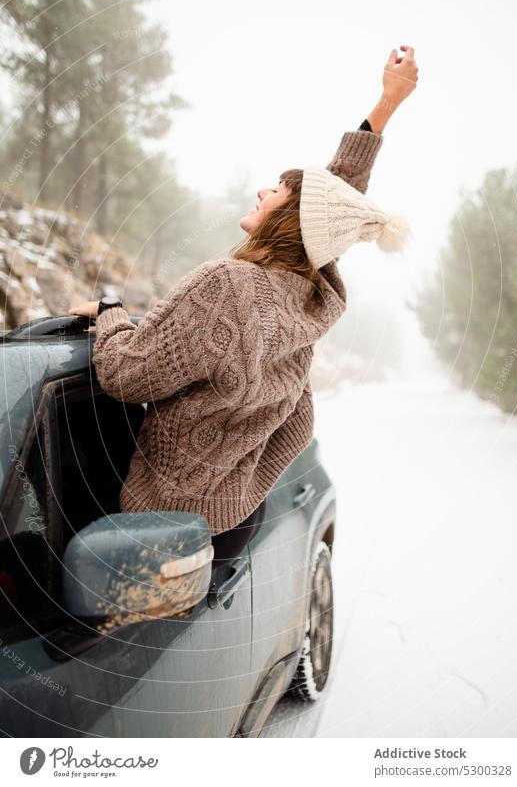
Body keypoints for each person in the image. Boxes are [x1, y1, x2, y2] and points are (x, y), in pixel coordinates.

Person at [68, 45, 418, 566]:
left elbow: (124, 375)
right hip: (233, 514)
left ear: (292, 218)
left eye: (276, 189)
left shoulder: (227, 287)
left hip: (163, 525)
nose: (261, 190)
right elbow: (331, 206)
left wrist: (111, 309)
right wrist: (385, 105)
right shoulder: (310, 293)